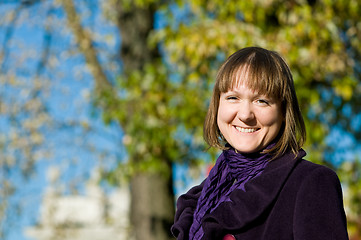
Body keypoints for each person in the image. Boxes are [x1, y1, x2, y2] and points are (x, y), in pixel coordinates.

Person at [171, 47, 349, 240]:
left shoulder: (311, 183)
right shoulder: (204, 195)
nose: (245, 114)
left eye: (262, 101)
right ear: (217, 106)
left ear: (283, 112)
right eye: (233, 98)